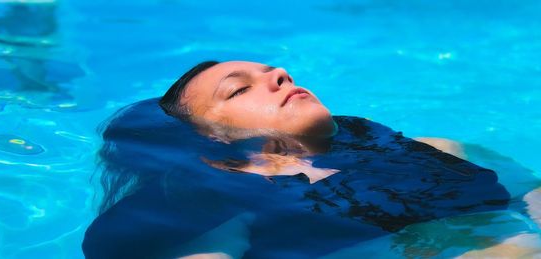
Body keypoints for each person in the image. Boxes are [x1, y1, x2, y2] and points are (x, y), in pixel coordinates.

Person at [82, 61, 538, 258]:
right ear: (209, 139)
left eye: (274, 72)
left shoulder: (439, 150)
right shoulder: (223, 219)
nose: (280, 74)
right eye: (239, 89)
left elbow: (532, 203)